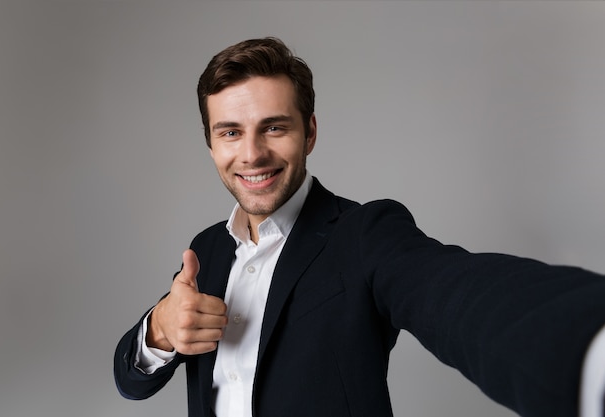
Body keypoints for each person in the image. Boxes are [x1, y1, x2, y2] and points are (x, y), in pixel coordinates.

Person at [114, 37, 605, 417]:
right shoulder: (207, 250)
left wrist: (590, 350)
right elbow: (131, 380)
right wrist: (158, 330)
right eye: (230, 133)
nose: (252, 154)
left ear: (310, 132)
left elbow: (455, 292)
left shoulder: (366, 234)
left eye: (274, 127)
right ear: (211, 145)